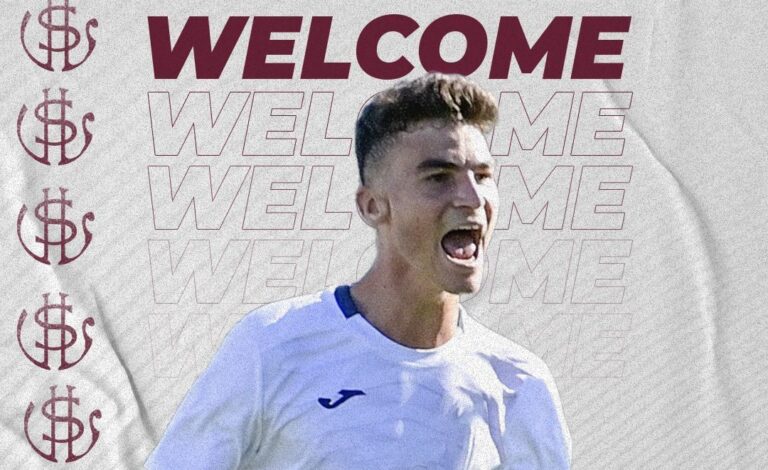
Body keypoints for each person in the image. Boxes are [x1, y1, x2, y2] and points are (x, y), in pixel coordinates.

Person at [145, 73, 572, 469]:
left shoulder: (520, 385)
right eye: (439, 178)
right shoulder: (271, 347)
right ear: (372, 206)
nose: (472, 198)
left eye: (482, 175)